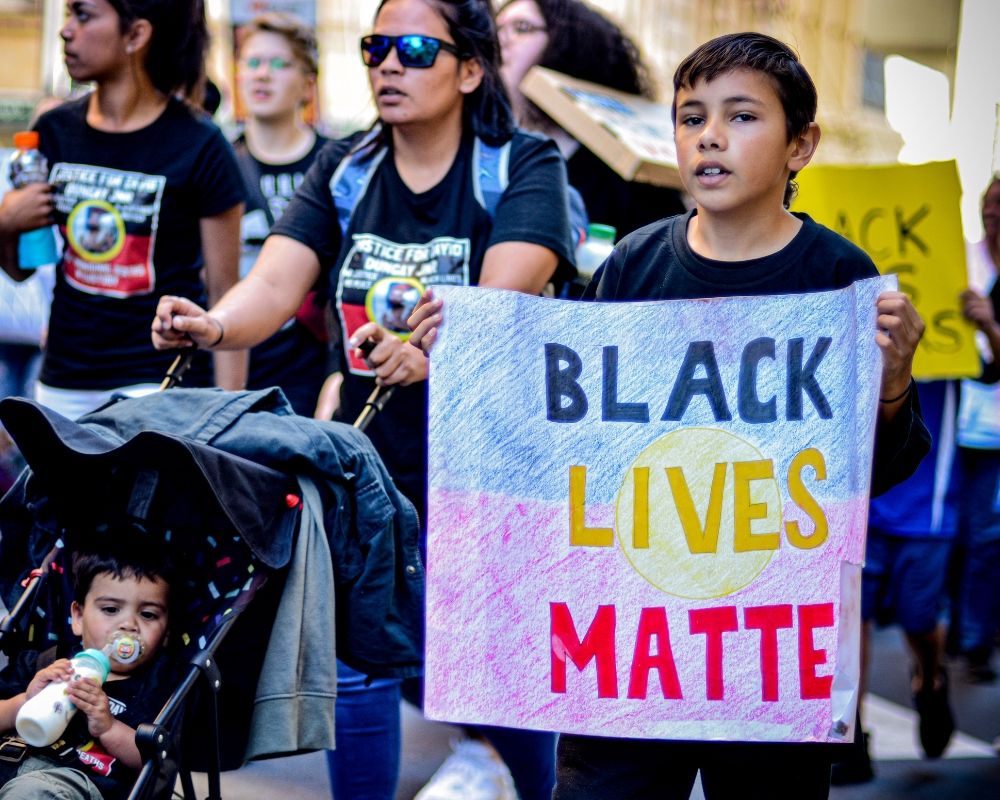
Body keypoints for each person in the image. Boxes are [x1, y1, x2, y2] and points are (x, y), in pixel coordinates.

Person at [410, 31, 929, 800]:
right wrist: (473, 353)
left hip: (762, 661)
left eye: (742, 116)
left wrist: (891, 381)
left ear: (802, 145)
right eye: (691, 117)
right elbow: (572, 433)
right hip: (628, 646)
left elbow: (870, 478)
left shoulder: (837, 276)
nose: (710, 136)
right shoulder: (636, 265)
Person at [151, 1, 574, 798]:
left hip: (484, 469)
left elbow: (504, 291)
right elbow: (276, 281)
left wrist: (430, 352)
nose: (388, 64)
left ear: (471, 69)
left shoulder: (521, 164)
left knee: (495, 674)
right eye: (376, 46)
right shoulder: (348, 168)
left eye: (415, 48)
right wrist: (213, 324)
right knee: (356, 672)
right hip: (366, 466)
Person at [0, 0, 246, 421]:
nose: (66, 31)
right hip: (64, 381)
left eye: (83, 15)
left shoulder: (202, 144)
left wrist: (230, 418)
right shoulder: (54, 130)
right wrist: (6, 224)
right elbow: (22, 269)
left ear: (136, 35)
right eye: (67, 16)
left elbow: (226, 301)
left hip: (161, 384)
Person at [0, 538, 176, 800]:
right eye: (111, 609)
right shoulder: (45, 664)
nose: (128, 624)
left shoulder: (156, 689)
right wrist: (23, 701)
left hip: (72, 783)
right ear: (79, 618)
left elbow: (159, 763)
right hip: (9, 760)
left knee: (31, 793)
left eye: (148, 614)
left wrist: (108, 728)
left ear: (166, 634)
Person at [495, 0, 685, 240]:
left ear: (568, 46)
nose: (500, 40)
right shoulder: (479, 144)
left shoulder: (620, 169)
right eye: (495, 29)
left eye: (521, 27)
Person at [233, 11, 330, 416]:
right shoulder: (220, 162)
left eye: (279, 64)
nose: (262, 75)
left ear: (308, 84)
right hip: (238, 361)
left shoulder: (336, 164)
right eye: (252, 63)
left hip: (316, 370)